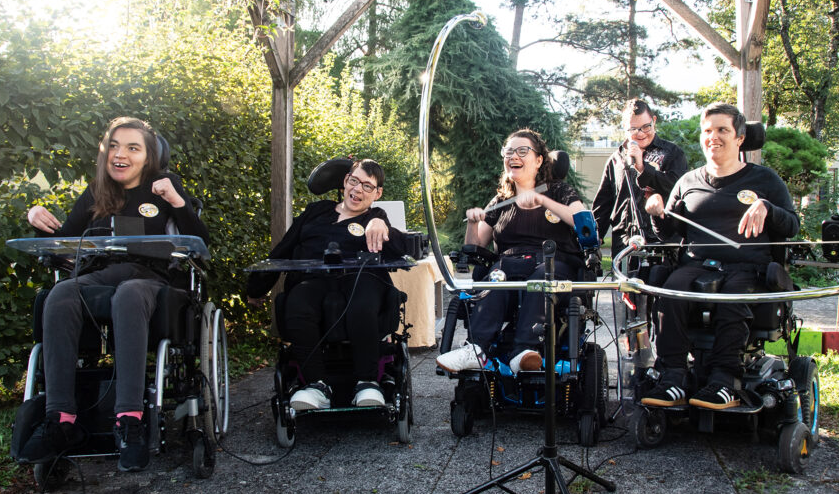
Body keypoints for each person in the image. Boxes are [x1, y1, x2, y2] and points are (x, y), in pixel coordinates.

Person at [20, 117, 209, 472]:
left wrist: (177, 201)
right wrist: (36, 219)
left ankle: (130, 420)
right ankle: (60, 420)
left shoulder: (163, 187)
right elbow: (64, 245)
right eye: (114, 146)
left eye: (132, 148)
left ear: (148, 156)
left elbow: (200, 243)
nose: (120, 154)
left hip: (152, 277)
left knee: (130, 294)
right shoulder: (96, 193)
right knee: (60, 295)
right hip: (99, 274)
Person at [641, 103, 800, 410]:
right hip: (698, 264)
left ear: (740, 137)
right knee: (670, 291)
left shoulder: (765, 180)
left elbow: (792, 225)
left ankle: (725, 380)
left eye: (722, 130)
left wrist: (768, 208)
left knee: (733, 295)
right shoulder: (688, 182)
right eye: (708, 131)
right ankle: (672, 377)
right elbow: (668, 233)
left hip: (747, 268)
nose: (713, 137)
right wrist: (657, 212)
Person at [246, 159, 407, 411]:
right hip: (313, 280)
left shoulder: (375, 218)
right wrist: (255, 289)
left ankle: (367, 383)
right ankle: (316, 386)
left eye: (367, 186)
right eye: (354, 181)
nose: (358, 190)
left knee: (361, 301)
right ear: (345, 181)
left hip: (360, 281)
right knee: (298, 302)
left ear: (377, 194)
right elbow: (283, 250)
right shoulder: (315, 212)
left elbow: (401, 247)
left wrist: (381, 222)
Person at [436, 129, 589, 375]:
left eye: (522, 151)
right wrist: (474, 222)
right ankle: (475, 349)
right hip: (508, 263)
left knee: (542, 279)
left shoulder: (559, 191)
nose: (513, 156)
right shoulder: (501, 200)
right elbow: (476, 247)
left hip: (552, 262)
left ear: (539, 160)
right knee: (496, 278)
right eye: (509, 152)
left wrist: (544, 201)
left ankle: (524, 351)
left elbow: (583, 221)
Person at [592, 99, 687, 260]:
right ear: (625, 128)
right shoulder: (616, 159)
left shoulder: (672, 153)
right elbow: (604, 203)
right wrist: (595, 237)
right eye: (634, 129)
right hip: (624, 240)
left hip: (661, 241)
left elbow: (677, 188)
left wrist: (643, 168)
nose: (641, 133)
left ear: (654, 121)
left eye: (646, 127)